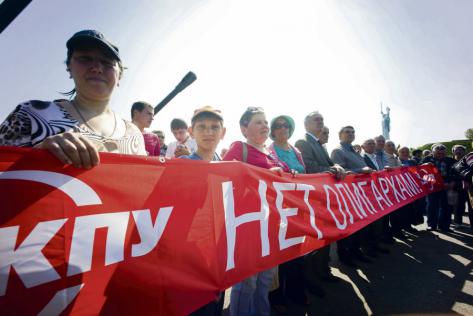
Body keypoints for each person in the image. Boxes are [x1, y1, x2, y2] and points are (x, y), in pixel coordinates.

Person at [0, 29, 146, 166]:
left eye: (107, 62)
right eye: (85, 58)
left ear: (120, 75)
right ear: (69, 68)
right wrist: (38, 154)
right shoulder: (31, 114)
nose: (96, 67)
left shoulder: (135, 135)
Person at [224, 107, 289, 316]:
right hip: (248, 224)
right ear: (244, 129)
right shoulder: (239, 148)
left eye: (266, 122)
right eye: (258, 122)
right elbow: (224, 178)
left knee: (265, 281)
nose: (265, 126)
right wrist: (264, 175)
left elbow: (288, 178)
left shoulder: (271, 153)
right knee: (247, 283)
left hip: (271, 224)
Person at [180, 106, 226, 315]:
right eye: (202, 127)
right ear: (191, 131)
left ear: (223, 133)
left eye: (214, 127)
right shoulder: (180, 165)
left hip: (219, 254)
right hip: (189, 255)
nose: (208, 132)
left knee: (215, 305)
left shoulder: (229, 169)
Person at [294, 112, 344, 296]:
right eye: (317, 119)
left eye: (322, 120)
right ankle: (312, 281)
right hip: (313, 200)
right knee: (314, 244)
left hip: (325, 199)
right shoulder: (303, 142)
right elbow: (309, 167)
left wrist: (337, 166)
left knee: (325, 240)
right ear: (306, 124)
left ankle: (324, 271)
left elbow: (330, 164)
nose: (321, 122)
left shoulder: (320, 144)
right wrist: (332, 170)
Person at [267, 115, 308, 308]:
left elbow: (306, 174)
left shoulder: (297, 151)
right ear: (273, 131)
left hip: (298, 206)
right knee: (280, 254)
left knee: (297, 250)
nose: (282, 128)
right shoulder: (269, 151)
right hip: (279, 208)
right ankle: (277, 297)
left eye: (286, 126)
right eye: (278, 126)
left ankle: (296, 290)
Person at [422, 144, 457, 232]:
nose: (441, 155)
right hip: (432, 187)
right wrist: (425, 165)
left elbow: (456, 172)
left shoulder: (451, 160)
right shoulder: (427, 159)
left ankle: (445, 226)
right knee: (432, 206)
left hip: (447, 186)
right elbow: (420, 170)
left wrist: (453, 182)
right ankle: (432, 225)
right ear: (433, 152)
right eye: (438, 153)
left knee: (447, 207)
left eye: (442, 153)